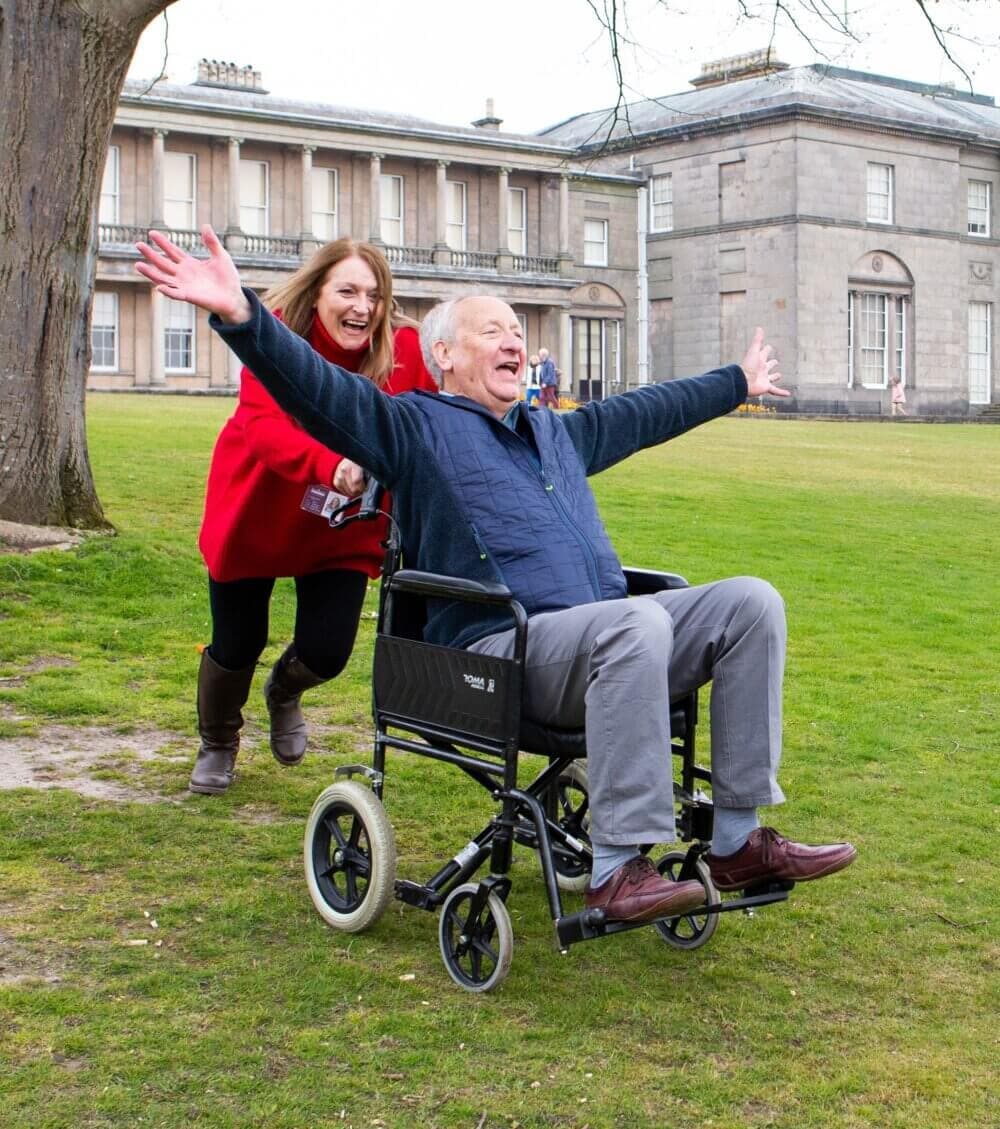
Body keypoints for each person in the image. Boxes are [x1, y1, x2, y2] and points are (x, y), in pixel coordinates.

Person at [135, 226, 857, 924]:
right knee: (635, 622)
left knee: (752, 603)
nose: (513, 341)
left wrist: (737, 381)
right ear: (443, 354)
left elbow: (647, 412)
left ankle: (735, 840)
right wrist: (242, 315)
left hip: (604, 639)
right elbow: (317, 389)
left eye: (517, 331)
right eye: (491, 331)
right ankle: (615, 868)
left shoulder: (554, 431)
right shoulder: (412, 427)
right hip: (504, 649)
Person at [186, 236, 436, 795]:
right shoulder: (275, 335)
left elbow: (429, 420)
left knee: (327, 650)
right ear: (317, 291)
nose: (362, 308)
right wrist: (332, 465)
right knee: (237, 642)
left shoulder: (403, 348)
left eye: (374, 295)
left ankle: (284, 689)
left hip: (343, 523)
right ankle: (218, 740)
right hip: (260, 508)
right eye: (347, 291)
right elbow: (262, 426)